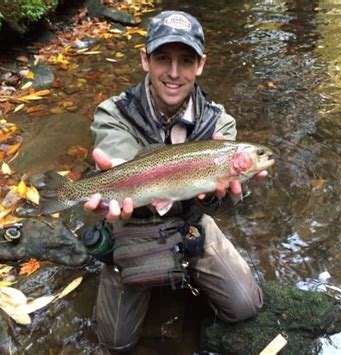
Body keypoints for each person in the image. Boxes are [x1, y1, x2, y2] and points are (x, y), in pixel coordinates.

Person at [84, 10, 267, 352]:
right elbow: (118, 163)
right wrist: (113, 186)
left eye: (185, 61)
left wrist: (216, 197)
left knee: (246, 306)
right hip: (132, 221)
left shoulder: (219, 123)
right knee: (116, 342)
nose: (173, 72)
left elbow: (222, 204)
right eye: (163, 59)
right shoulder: (114, 112)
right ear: (145, 60)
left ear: (200, 65)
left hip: (189, 222)